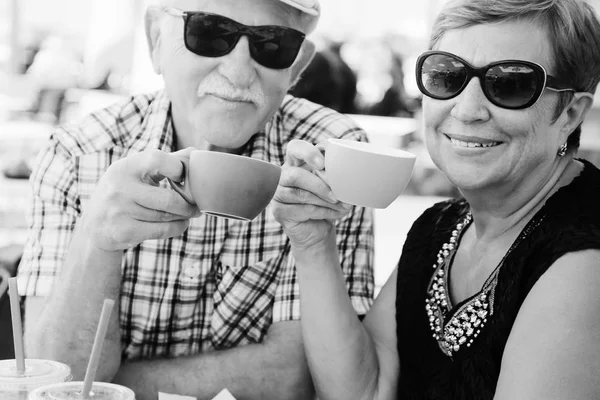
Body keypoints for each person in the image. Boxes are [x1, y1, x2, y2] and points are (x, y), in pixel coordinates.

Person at [16, 0, 375, 399]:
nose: (239, 73)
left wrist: (109, 389)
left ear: (297, 65)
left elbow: (292, 376)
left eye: (273, 45)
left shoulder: (331, 157)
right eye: (209, 32)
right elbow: (61, 379)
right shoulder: (78, 152)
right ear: (156, 38)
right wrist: (97, 242)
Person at [272, 0, 600, 398]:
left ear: (570, 113)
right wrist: (311, 241)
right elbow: (363, 392)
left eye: (510, 84)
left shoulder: (585, 261)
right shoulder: (440, 228)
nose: (467, 109)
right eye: (447, 76)